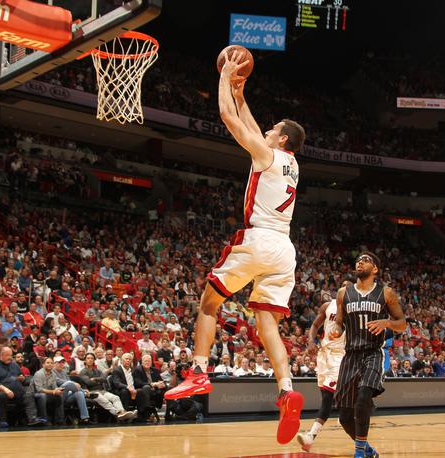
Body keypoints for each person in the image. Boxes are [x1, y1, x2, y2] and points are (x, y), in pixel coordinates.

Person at [165, 48, 307, 446]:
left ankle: (197, 372)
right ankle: (287, 389)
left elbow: (231, 118)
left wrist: (224, 79)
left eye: (271, 128)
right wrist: (241, 90)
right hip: (285, 249)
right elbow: (247, 117)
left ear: (280, 139)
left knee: (209, 302)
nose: (264, 130)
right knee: (267, 323)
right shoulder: (290, 161)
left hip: (259, 238)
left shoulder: (266, 153)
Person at [330, 252, 407, 458]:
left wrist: (386, 323)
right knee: (345, 417)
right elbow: (339, 321)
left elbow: (402, 323)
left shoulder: (386, 293)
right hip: (351, 355)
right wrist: (337, 329)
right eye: (358, 260)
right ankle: (367, 449)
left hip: (373, 352)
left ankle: (359, 453)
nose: (360, 262)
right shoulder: (343, 293)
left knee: (364, 396)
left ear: (375, 270)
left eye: (366, 260)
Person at [297, 282, 349, 452]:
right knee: (326, 397)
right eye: (342, 286)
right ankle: (348, 411)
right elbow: (314, 325)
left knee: (328, 397)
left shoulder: (354, 311)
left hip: (340, 355)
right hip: (323, 355)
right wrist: (311, 341)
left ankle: (311, 436)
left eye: (348, 287)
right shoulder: (328, 306)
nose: (343, 289)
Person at [79, 352, 137, 421]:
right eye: (88, 358)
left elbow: (104, 379)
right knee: (105, 400)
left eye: (92, 358)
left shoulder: (97, 371)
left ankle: (122, 412)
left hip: (101, 390)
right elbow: (88, 382)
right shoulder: (83, 372)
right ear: (85, 360)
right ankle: (118, 413)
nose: (90, 360)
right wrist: (99, 380)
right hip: (90, 392)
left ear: (94, 360)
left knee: (115, 398)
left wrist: (95, 379)